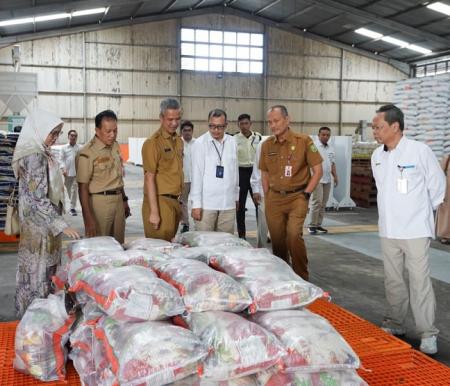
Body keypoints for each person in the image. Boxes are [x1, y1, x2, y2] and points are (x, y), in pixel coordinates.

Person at [371, 104, 445, 355]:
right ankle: (395, 322)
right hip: (389, 229)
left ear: (395, 126)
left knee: (419, 281)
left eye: (378, 127)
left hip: (414, 229)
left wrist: (428, 214)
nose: (375, 132)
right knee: (393, 280)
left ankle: (427, 333)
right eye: (374, 127)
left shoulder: (419, 151)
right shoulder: (377, 156)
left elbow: (438, 185)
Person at [12, 108, 80, 317]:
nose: (55, 137)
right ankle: (38, 318)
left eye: (58, 133)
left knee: (38, 270)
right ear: (39, 130)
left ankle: (36, 316)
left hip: (41, 224)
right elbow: (37, 198)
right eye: (53, 133)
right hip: (40, 226)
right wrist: (61, 224)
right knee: (39, 272)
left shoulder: (39, 150)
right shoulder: (34, 155)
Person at [259, 105, 323, 280]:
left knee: (294, 235)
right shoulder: (266, 145)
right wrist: (268, 197)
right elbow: (264, 173)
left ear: (287, 120)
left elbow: (318, 171)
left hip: (297, 197)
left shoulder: (304, 141)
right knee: (278, 241)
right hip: (274, 199)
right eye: (270, 122)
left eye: (276, 121)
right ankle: (283, 277)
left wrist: (306, 194)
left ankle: (302, 277)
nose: (273, 125)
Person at [77, 110, 130, 244]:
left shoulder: (115, 146)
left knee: (119, 244)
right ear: (97, 130)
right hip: (99, 204)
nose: (112, 135)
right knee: (100, 246)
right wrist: (88, 219)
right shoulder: (87, 153)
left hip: (118, 201)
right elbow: (82, 188)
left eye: (115, 130)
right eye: (108, 131)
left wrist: (124, 199)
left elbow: (118, 177)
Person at [191, 109, 239, 234]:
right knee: (205, 244)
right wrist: (196, 204)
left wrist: (236, 197)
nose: (215, 130)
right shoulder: (200, 144)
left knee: (225, 244)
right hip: (207, 205)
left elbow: (235, 173)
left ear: (226, 125)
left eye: (219, 127)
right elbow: (196, 175)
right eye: (212, 126)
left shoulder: (232, 142)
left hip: (227, 204)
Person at [142, 98, 183, 241]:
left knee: (170, 250)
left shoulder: (178, 140)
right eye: (170, 119)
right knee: (159, 251)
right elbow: (149, 178)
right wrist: (154, 212)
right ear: (161, 118)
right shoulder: (153, 143)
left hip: (175, 202)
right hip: (160, 203)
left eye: (177, 119)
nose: (174, 123)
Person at [235, 113, 262, 239]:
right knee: (240, 206)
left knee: (259, 205)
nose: (244, 126)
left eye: (246, 123)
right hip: (241, 173)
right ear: (238, 125)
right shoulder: (234, 139)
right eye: (241, 124)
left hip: (255, 172)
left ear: (250, 124)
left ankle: (262, 233)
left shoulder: (259, 138)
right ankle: (242, 234)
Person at [308, 126, 338, 234]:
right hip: (316, 179)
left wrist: (335, 176)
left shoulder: (331, 148)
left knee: (323, 203)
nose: (326, 137)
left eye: (328, 135)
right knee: (317, 201)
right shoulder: (313, 147)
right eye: (323, 135)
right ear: (318, 135)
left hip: (327, 178)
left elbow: (332, 163)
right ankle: (312, 225)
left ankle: (318, 224)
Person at [251, 137, 270, 248]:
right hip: (265, 191)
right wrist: (256, 189)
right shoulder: (264, 144)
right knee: (263, 224)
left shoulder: (294, 142)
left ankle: (283, 256)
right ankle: (260, 249)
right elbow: (257, 168)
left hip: (285, 193)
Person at [180, 120, 195, 233]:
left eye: (189, 130)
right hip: (183, 179)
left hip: (196, 179)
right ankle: (185, 224)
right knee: (182, 202)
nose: (187, 133)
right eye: (185, 130)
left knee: (197, 201)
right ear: (181, 131)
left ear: (192, 131)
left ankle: (198, 222)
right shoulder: (177, 144)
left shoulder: (198, 143)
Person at [60, 129, 80, 216]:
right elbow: (61, 159)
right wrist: (63, 169)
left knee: (74, 190)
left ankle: (72, 207)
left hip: (77, 173)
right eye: (72, 135)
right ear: (68, 136)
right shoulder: (64, 148)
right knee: (68, 189)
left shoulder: (79, 148)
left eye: (75, 136)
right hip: (67, 173)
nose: (73, 137)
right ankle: (70, 203)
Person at [436, 154, 450, 244]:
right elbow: (440, 171)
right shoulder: (447, 156)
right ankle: (445, 234)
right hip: (448, 189)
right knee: (446, 210)